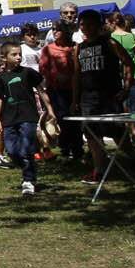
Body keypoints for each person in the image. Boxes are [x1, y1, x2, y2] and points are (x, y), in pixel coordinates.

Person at [70, 9, 132, 178]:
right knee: (91, 133)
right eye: (82, 25)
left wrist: (126, 87)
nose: (86, 28)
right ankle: (99, 169)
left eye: (90, 24)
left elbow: (128, 62)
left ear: (98, 25)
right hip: (88, 97)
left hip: (109, 94)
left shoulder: (109, 43)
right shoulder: (78, 48)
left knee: (117, 131)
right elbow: (76, 74)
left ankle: (133, 159)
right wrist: (75, 100)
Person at [0, 43, 47, 196]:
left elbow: (41, 90)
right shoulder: (0, 78)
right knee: (12, 151)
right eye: (14, 55)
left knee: (25, 149)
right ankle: (28, 167)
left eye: (19, 54)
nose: (18, 57)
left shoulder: (27, 73)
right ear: (4, 58)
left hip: (28, 116)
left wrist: (50, 110)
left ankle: (28, 180)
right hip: (9, 119)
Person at [38, 21, 81, 163]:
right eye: (53, 29)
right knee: (61, 118)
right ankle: (65, 147)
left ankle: (77, 148)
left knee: (75, 118)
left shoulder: (74, 47)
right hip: (56, 90)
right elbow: (42, 69)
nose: (55, 32)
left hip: (73, 88)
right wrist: (54, 76)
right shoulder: (48, 49)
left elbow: (78, 68)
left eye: (58, 30)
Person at [109, 12, 135, 112]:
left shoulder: (110, 39)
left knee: (123, 106)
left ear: (113, 23)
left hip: (119, 75)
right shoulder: (132, 36)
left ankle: (130, 126)